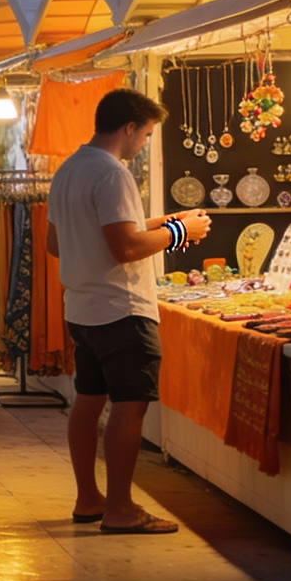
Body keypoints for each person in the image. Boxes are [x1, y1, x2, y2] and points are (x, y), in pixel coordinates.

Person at [47, 89, 212, 535]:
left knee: (88, 400)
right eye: (147, 134)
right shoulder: (112, 173)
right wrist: (180, 232)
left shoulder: (69, 169)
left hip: (82, 306)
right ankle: (120, 507)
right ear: (129, 127)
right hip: (121, 308)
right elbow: (125, 248)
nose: (144, 143)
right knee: (128, 406)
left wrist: (165, 222)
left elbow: (57, 243)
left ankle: (89, 498)